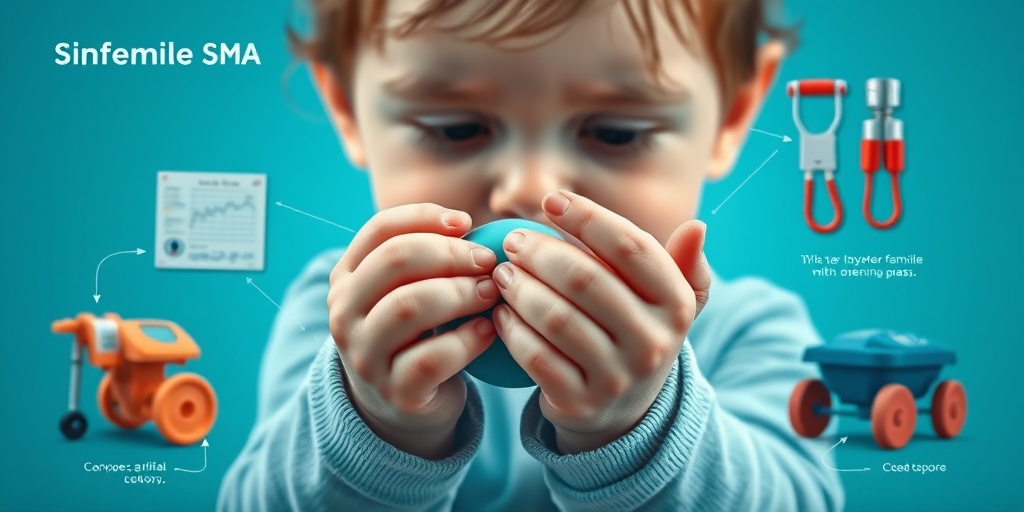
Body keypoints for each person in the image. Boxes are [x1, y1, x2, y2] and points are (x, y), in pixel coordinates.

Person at [218, 0, 845, 510]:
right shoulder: (339, 315)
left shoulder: (753, 329)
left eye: (615, 133)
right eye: (455, 128)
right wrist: (375, 426)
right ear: (350, 110)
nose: (530, 187)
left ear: (733, 114)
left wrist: (640, 430)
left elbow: (801, 498)